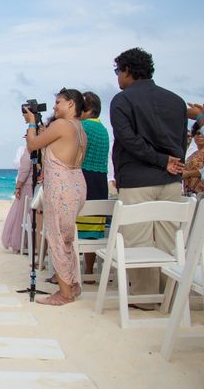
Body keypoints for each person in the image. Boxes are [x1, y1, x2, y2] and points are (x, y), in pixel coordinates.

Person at [110, 48, 187, 309]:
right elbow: (180, 140)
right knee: (170, 238)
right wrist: (172, 162)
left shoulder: (122, 100)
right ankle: (171, 296)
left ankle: (144, 298)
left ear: (127, 70)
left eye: (117, 71)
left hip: (137, 178)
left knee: (138, 239)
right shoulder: (176, 101)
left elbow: (127, 139)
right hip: (171, 179)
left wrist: (160, 160)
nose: (117, 77)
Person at [24, 88, 87, 305]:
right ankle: (73, 284)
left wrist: (31, 123)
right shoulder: (79, 128)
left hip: (61, 186)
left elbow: (32, 145)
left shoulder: (60, 125)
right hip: (77, 183)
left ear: (71, 104)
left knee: (57, 238)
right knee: (67, 238)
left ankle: (64, 294)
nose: (54, 107)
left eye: (58, 102)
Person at [76, 91, 110, 279]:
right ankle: (89, 270)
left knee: (73, 227)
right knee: (92, 229)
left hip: (84, 176)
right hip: (100, 180)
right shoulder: (103, 129)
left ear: (87, 109)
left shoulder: (82, 127)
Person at [1, 136, 33, 253]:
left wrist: (18, 187)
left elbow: (23, 171)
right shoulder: (42, 149)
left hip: (27, 187)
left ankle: (20, 243)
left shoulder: (28, 150)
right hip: (35, 186)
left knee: (21, 215)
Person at [182, 123, 204, 197]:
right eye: (197, 133)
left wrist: (188, 174)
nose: (200, 135)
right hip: (191, 195)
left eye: (202, 133)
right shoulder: (192, 154)